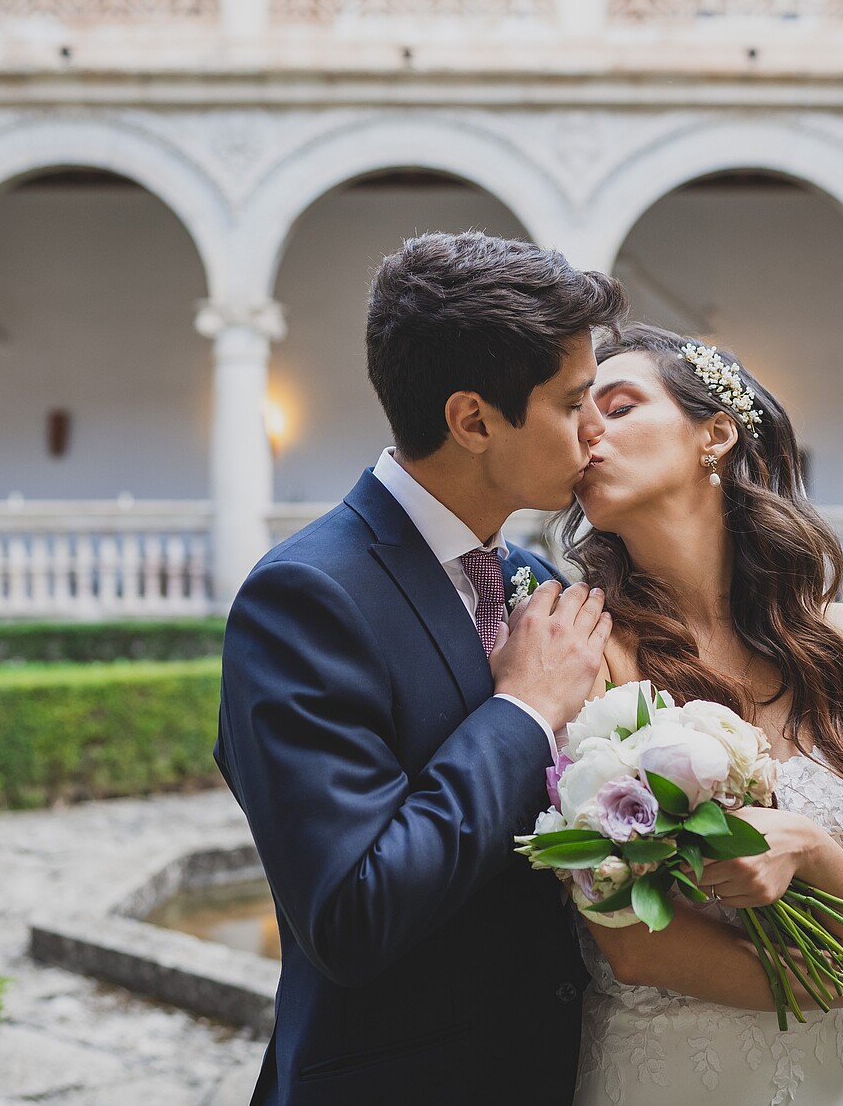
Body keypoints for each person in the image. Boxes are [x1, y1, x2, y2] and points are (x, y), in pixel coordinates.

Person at [215, 231, 626, 1105]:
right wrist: (520, 712)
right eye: (572, 403)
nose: (597, 432)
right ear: (473, 420)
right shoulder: (304, 598)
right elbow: (350, 913)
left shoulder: (541, 586)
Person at [562, 323, 843, 1105]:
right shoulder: (589, 653)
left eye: (619, 407)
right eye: (576, 414)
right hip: (672, 1076)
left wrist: (812, 849)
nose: (588, 429)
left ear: (714, 433)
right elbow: (634, 949)